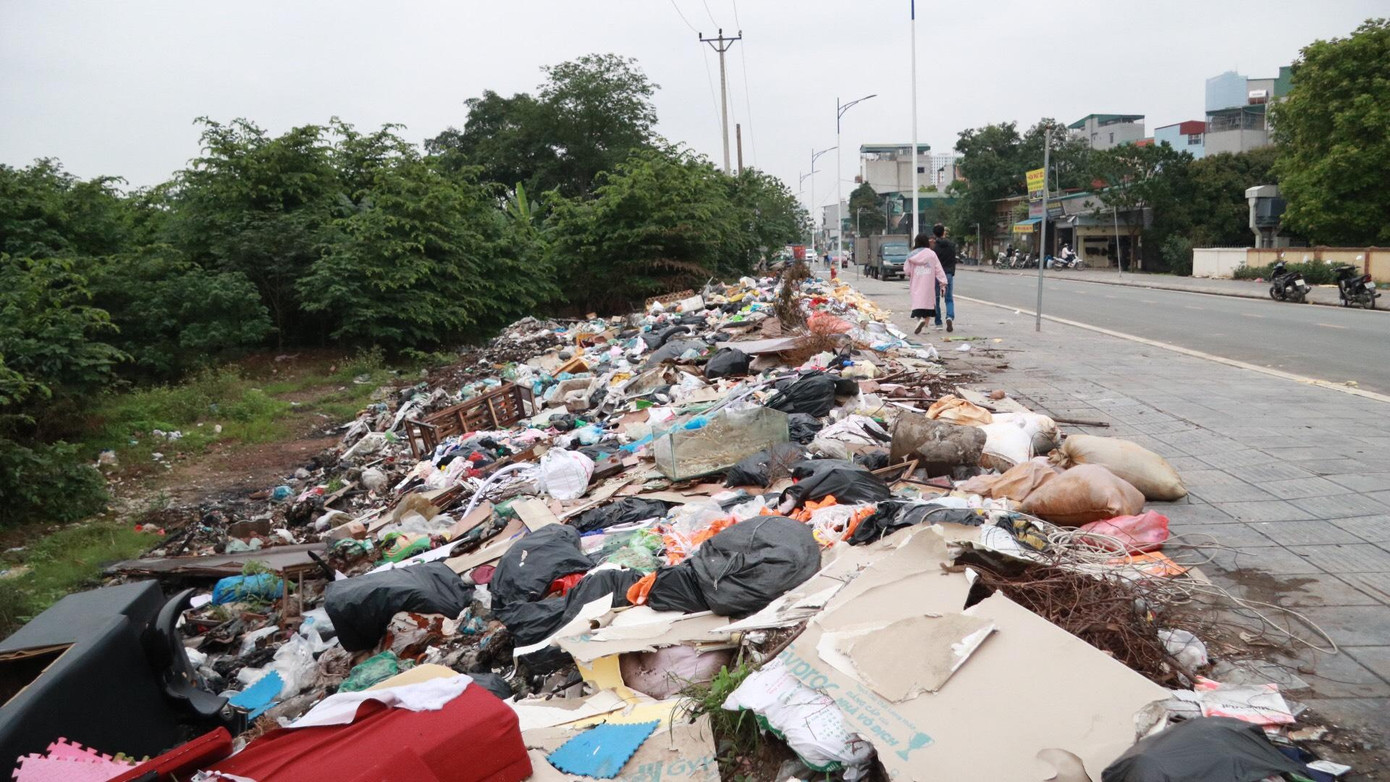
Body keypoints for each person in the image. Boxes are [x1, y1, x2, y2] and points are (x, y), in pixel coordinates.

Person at [905, 232, 947, 335]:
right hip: (928, 283)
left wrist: (912, 273)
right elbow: (938, 269)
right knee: (928, 306)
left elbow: (907, 270)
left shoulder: (911, 255)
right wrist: (943, 282)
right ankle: (925, 327)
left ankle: (920, 320)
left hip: (916, 283)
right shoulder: (931, 254)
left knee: (918, 303)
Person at [930, 224, 957, 332]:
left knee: (936, 299)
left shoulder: (933, 247)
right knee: (949, 298)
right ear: (943, 233)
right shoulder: (951, 245)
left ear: (934, 234)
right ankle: (949, 317)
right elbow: (953, 260)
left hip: (936, 275)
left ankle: (938, 323)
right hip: (948, 274)